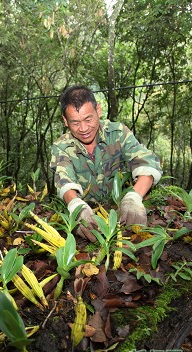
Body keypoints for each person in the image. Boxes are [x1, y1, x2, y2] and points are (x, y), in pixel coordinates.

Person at [50, 85, 162, 241]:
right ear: (65, 121)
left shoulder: (118, 133)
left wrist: (134, 197)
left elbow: (147, 162)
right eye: (75, 123)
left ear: (98, 111)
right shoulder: (62, 146)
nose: (83, 128)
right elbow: (64, 179)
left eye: (88, 119)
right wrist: (76, 206)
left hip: (123, 215)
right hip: (90, 218)